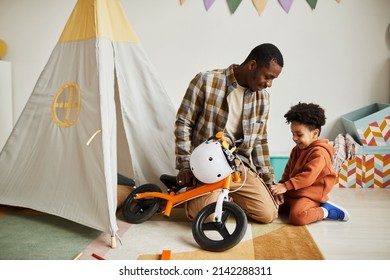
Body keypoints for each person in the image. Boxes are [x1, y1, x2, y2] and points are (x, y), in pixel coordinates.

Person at [175, 43, 284, 223]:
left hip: (238, 166)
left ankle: (226, 197)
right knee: (208, 218)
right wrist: (185, 164)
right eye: (268, 77)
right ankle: (210, 197)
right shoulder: (206, 81)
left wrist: (269, 180)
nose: (269, 84)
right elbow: (183, 123)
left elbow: (260, 140)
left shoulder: (263, 98)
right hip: (207, 165)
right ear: (252, 65)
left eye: (273, 80)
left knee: (268, 214)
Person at [269, 102, 350, 226]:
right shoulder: (297, 149)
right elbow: (288, 170)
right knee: (271, 207)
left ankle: (325, 210)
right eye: (293, 133)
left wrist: (285, 186)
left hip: (309, 195)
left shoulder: (320, 153)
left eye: (299, 134)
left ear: (315, 133)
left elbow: (307, 177)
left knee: (297, 218)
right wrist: (281, 186)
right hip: (293, 192)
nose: (294, 138)